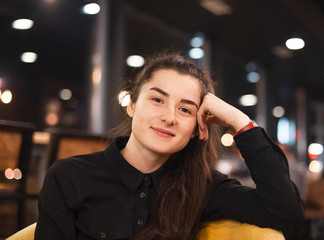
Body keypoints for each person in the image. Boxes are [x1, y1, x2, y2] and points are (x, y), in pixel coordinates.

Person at [34, 52, 305, 240]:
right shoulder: (70, 177)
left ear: (197, 128)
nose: (170, 117)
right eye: (157, 100)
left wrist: (239, 120)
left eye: (186, 110)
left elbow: (285, 211)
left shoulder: (201, 187)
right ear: (131, 105)